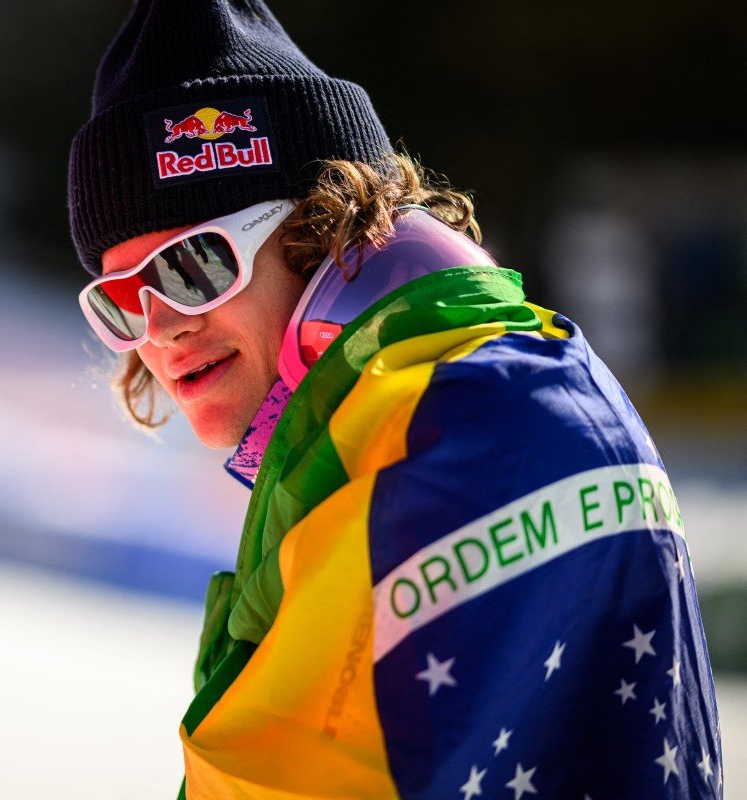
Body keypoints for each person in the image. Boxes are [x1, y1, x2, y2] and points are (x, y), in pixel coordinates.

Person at [68, 1, 723, 797]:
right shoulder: (411, 411)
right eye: (121, 299)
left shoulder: (463, 422)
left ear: (320, 229)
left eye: (191, 266)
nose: (159, 329)